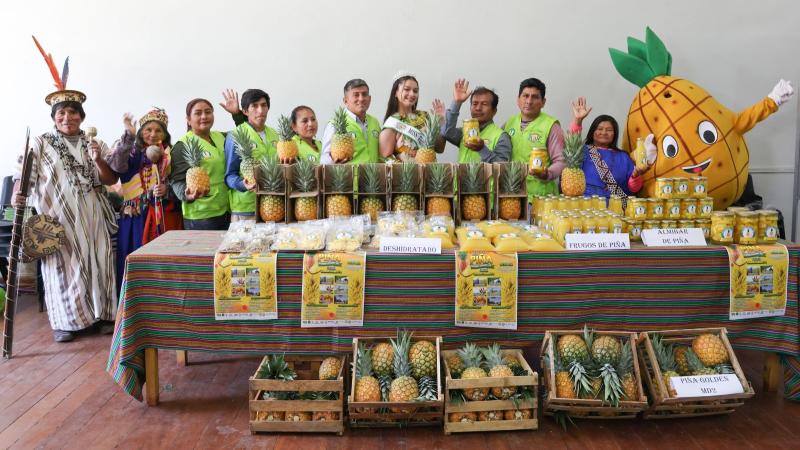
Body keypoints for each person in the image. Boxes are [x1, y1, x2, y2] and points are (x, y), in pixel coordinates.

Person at [13, 73, 119, 342]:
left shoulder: (95, 143)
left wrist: (98, 159)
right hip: (57, 219)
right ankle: (65, 323)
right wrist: (17, 196)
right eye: (61, 113)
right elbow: (22, 177)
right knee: (61, 269)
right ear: (54, 117)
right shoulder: (39, 143)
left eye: (73, 112)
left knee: (99, 262)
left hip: (93, 216)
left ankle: (103, 316)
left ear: (81, 116)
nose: (67, 117)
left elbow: (110, 180)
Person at [106, 108, 182, 294]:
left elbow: (180, 182)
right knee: (135, 258)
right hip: (135, 217)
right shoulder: (130, 151)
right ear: (140, 132)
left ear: (165, 134)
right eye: (148, 130)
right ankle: (134, 301)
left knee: (161, 263)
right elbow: (116, 167)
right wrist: (128, 135)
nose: (153, 134)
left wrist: (167, 190)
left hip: (162, 216)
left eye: (158, 130)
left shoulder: (171, 154)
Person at [570, 97, 656, 199]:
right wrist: (578, 121)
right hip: (587, 204)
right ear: (592, 132)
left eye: (609, 130)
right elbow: (572, 144)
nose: (604, 132)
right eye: (599, 129)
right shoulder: (582, 151)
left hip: (616, 206)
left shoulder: (624, 157)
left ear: (614, 134)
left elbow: (634, 189)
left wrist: (636, 175)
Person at [170, 98, 231, 230]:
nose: (204, 116)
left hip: (227, 210)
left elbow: (246, 133)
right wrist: (186, 195)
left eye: (208, 112)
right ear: (188, 119)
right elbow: (176, 180)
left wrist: (236, 114)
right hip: (201, 216)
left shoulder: (222, 137)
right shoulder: (182, 146)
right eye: (198, 113)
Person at [221, 89, 280, 221]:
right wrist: (243, 184)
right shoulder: (235, 135)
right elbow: (229, 175)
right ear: (245, 111)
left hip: (274, 205)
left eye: (264, 105)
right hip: (246, 209)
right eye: (255, 106)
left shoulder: (274, 134)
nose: (260, 110)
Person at [503, 78, 565, 198]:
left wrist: (547, 174)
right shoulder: (509, 123)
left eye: (535, 97)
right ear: (518, 99)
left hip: (541, 197)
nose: (529, 101)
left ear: (543, 102)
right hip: (513, 195)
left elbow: (561, 161)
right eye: (525, 96)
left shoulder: (551, 126)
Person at [440, 78, 511, 163]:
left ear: (494, 111)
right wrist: (457, 102)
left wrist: (482, 149)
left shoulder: (501, 136)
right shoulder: (464, 132)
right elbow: (446, 132)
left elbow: (503, 167)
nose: (478, 108)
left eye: (484, 104)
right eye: (475, 104)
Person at [379, 73, 445, 161]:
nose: (412, 94)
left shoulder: (424, 116)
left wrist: (440, 122)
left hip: (431, 169)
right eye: (407, 89)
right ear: (395, 92)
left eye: (415, 91)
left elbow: (440, 148)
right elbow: (384, 158)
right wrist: (401, 160)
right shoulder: (392, 122)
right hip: (408, 169)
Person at [320, 79, 381, 164]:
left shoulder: (375, 122)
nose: (361, 99)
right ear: (345, 100)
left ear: (370, 99)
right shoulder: (335, 124)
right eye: (356, 95)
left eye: (364, 94)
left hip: (374, 173)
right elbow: (324, 159)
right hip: (348, 173)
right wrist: (336, 163)